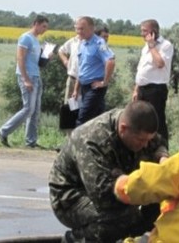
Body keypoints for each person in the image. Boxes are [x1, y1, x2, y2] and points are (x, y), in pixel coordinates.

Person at [49, 100, 169, 242]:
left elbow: (158, 144)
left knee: (157, 208)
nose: (145, 145)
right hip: (70, 197)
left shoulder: (136, 126)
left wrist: (163, 158)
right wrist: (142, 189)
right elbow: (103, 196)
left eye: (149, 140)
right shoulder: (93, 140)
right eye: (141, 140)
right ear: (123, 129)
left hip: (113, 187)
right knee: (121, 218)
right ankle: (75, 239)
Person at [0, 14, 50, 148]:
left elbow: (38, 63)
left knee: (35, 111)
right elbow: (20, 58)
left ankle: (31, 141)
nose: (45, 29)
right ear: (36, 24)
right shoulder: (26, 38)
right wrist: (25, 79)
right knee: (28, 109)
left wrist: (47, 56)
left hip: (36, 76)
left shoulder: (36, 41)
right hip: (27, 76)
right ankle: (4, 131)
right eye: (43, 26)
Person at [132, 19, 174, 147]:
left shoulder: (166, 45)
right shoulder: (145, 47)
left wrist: (152, 46)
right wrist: (136, 89)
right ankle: (145, 147)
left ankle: (161, 148)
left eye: (145, 31)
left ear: (153, 32)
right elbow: (141, 69)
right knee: (141, 120)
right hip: (142, 89)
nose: (142, 34)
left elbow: (160, 63)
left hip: (156, 89)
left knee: (156, 121)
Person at [73, 16, 115, 126]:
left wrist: (104, 82)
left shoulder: (100, 43)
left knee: (82, 119)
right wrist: (76, 89)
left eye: (82, 29)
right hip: (84, 87)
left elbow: (110, 61)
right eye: (77, 29)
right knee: (97, 120)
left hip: (95, 87)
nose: (79, 32)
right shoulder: (82, 43)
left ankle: (76, 143)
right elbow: (82, 68)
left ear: (91, 28)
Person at [58, 32, 81, 135]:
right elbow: (61, 50)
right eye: (77, 28)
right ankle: (69, 138)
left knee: (82, 109)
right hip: (72, 79)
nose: (79, 31)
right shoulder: (73, 41)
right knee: (70, 108)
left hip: (84, 81)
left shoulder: (90, 43)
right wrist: (65, 61)